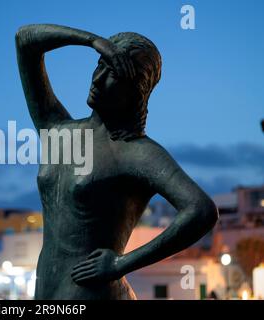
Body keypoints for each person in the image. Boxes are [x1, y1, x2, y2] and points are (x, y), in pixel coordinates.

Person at [15, 24, 218, 299]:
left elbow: (201, 211)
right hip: (47, 289)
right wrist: (92, 41)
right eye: (99, 65)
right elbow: (25, 40)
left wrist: (120, 264)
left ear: (135, 90)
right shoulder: (58, 132)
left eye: (112, 74)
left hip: (94, 292)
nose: (97, 79)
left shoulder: (136, 152)